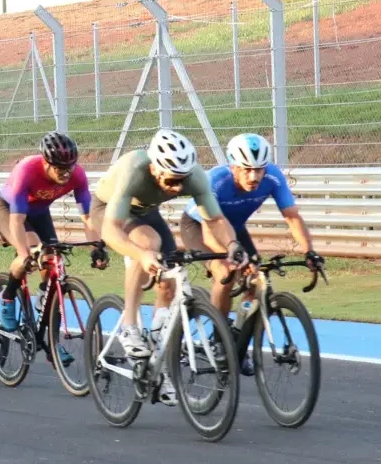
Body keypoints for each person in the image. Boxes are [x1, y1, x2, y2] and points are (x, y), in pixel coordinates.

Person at [88, 129, 245, 405]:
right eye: (171, 181)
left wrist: (232, 244)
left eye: (181, 182)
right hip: (108, 209)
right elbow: (112, 232)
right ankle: (129, 325)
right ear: (154, 169)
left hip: (147, 210)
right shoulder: (134, 170)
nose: (175, 189)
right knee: (149, 243)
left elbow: (216, 219)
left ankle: (159, 354)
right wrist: (141, 254)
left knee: (170, 278)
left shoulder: (193, 176)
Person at [179, 133, 322, 374]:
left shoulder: (273, 177)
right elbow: (210, 230)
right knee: (224, 271)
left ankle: (238, 337)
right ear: (232, 166)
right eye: (246, 170)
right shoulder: (215, 181)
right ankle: (218, 338)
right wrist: (229, 255)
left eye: (259, 170)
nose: (254, 176)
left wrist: (310, 251)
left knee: (257, 281)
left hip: (233, 228)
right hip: (199, 226)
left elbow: (292, 217)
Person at [0, 131, 106, 333]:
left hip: (40, 211)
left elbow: (87, 217)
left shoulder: (77, 175)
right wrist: (25, 255)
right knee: (32, 247)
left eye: (70, 167)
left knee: (52, 257)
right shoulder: (27, 170)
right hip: (9, 210)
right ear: (46, 163)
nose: (66, 173)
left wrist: (96, 247)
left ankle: (46, 299)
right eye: (60, 168)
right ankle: (8, 295)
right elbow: (17, 222)